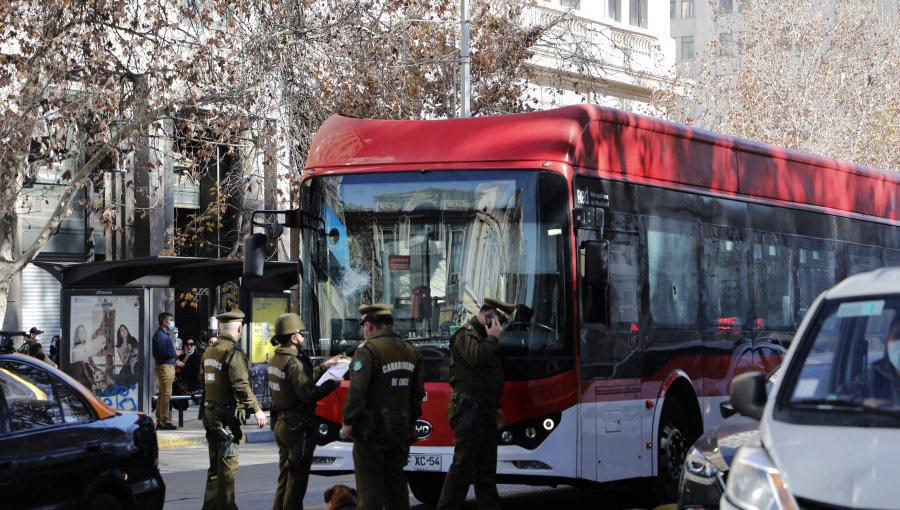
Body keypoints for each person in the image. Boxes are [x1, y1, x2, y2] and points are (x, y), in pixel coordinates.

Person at [340, 304, 425, 510]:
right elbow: (417, 393)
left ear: (369, 326)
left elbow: (357, 391)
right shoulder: (411, 351)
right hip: (400, 429)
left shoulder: (368, 351)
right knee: (396, 485)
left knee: (370, 488)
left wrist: (348, 422)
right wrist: (412, 421)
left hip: (371, 431)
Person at [437, 298, 517, 510]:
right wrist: (492, 338)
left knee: (486, 470)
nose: (501, 325)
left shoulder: (484, 337)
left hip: (486, 409)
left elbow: (489, 375)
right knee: (463, 467)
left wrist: (497, 405)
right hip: (468, 410)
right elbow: (476, 358)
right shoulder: (466, 334)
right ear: (489, 315)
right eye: (499, 319)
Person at [269, 313, 343, 510]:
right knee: (297, 483)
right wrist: (332, 384)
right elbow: (308, 393)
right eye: (301, 334)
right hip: (296, 427)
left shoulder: (277, 359)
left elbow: (300, 380)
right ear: (294, 337)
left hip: (281, 424)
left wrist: (325, 366)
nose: (303, 337)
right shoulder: (293, 362)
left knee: (285, 478)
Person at [201, 308, 267, 510]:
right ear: (239, 328)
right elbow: (241, 385)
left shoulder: (209, 351)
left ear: (220, 328)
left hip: (210, 414)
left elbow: (203, 378)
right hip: (227, 417)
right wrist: (257, 409)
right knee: (228, 468)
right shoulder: (232, 353)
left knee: (215, 468)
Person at [843, 316, 900, 408]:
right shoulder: (873, 376)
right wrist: (863, 401)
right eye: (898, 336)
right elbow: (837, 398)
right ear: (886, 344)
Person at [152, 312, 178, 430]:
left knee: (163, 394)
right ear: (165, 322)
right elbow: (162, 353)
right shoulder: (160, 335)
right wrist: (174, 353)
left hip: (166, 366)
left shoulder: (164, 334)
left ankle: (160, 420)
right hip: (164, 367)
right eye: (170, 320)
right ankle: (164, 421)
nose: (172, 323)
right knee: (166, 394)